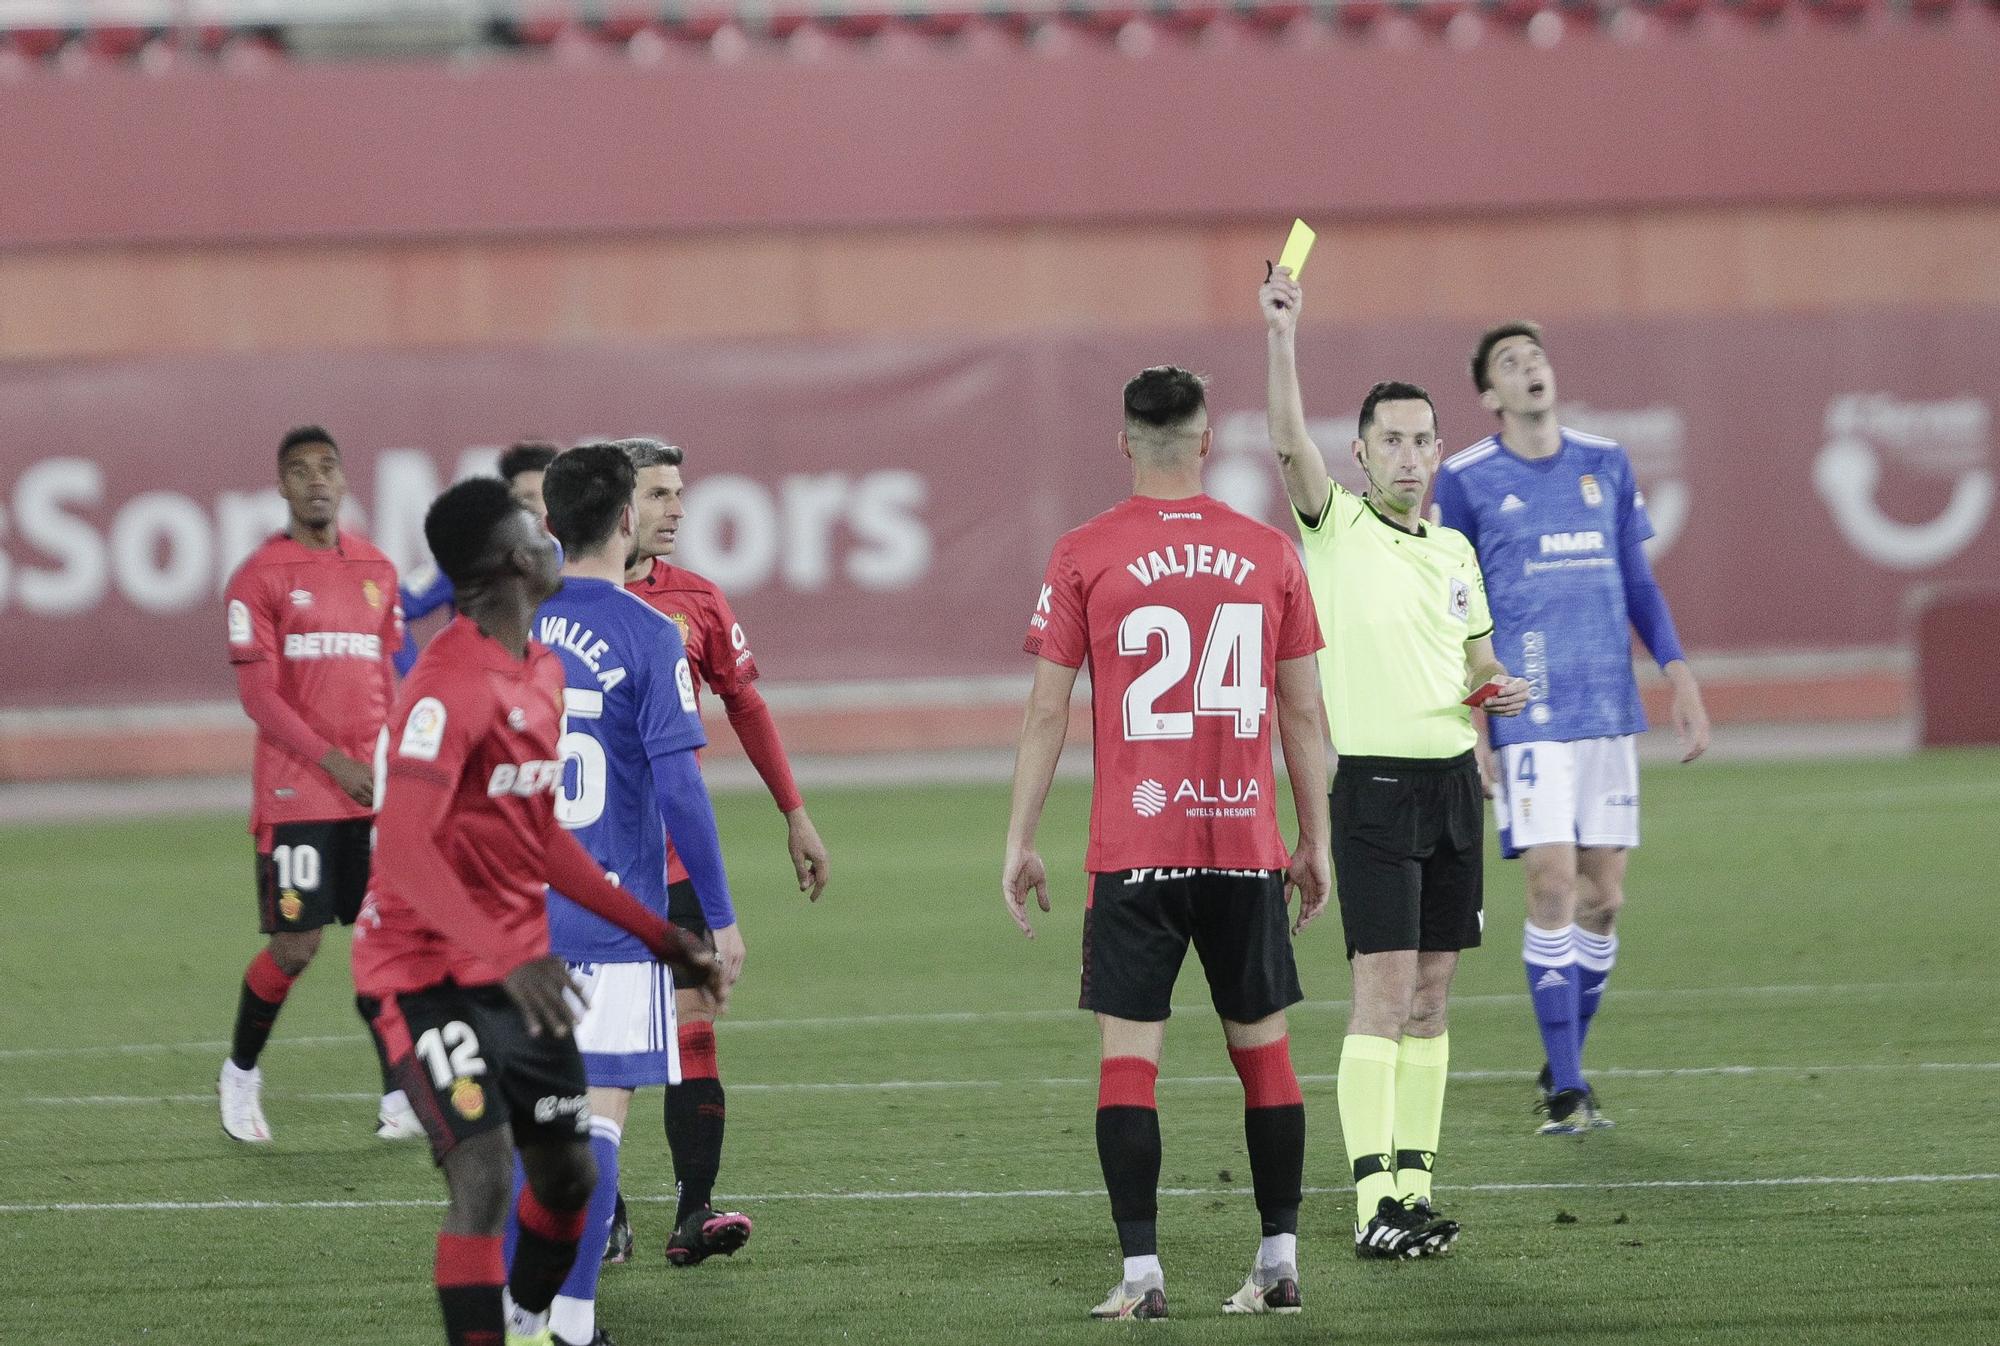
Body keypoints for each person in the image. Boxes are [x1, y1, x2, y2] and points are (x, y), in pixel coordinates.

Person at [351, 475, 722, 1346]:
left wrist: (656, 931)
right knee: (481, 1173)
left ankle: (523, 1319)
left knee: (564, 1181)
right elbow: (404, 852)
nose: (552, 540)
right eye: (534, 531)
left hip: (516, 967)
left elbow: (542, 838)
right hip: (423, 975)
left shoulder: (543, 668)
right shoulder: (445, 686)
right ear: (509, 560)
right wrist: (506, 955)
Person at [1003, 366, 1332, 1320]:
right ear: (1206, 437)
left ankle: (1142, 1277)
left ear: (1124, 444)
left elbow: (1046, 712)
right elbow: (1303, 715)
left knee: (1128, 1063)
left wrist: (1022, 838)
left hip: (1134, 851)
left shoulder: (1084, 552)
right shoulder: (1269, 552)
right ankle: (1278, 1263)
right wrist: (1311, 839)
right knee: (1264, 1055)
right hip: (1243, 844)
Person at [1260, 266, 1532, 1258]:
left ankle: (1414, 1184)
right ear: (1362, 453)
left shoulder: (1453, 550)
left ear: (1437, 448)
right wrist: (1282, 333)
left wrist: (1493, 688)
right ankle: (1372, 1198)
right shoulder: (1334, 527)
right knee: (1378, 995)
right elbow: (1285, 440)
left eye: (1422, 439)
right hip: (1372, 789)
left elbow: (1477, 657)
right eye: (1390, 440)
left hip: (1453, 785)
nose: (1409, 455)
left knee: (1430, 994)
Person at [1433, 322, 1710, 1134]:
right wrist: (1475, 717)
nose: (1530, 371)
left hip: (1606, 713)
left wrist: (1679, 675)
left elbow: (1636, 580)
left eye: (1536, 359)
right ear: (1489, 396)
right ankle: (1569, 1088)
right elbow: (1454, 607)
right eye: (1511, 365)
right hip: (1527, 709)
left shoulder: (1605, 461)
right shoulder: (1465, 480)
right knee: (1551, 883)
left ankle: (1564, 1061)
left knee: (1605, 900)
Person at [497, 444, 741, 1346]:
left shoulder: (506, 627)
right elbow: (681, 790)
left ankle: (524, 1313)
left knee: (536, 1131)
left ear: (550, 521)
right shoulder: (649, 635)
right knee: (597, 1125)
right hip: (610, 923)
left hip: (511, 925)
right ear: (627, 520)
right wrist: (716, 918)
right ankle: (572, 1319)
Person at [607, 437, 831, 1268]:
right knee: (589, 1043)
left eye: (680, 493)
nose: (677, 510)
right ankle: (603, 1210)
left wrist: (795, 814)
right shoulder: (553, 601)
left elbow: (745, 704)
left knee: (691, 1026)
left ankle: (692, 1212)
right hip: (585, 868)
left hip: (673, 863)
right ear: (618, 504)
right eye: (660, 494)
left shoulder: (696, 600)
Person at [218, 424, 414, 1143]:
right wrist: (337, 764)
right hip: (299, 793)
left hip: (375, 795)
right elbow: (261, 699)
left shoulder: (377, 569)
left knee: (383, 942)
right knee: (296, 947)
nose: (316, 481)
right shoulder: (259, 577)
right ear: (281, 486)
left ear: (344, 478)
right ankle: (241, 1073)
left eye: (327, 467)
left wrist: (397, 768)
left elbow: (389, 676)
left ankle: (399, 1095)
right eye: (300, 471)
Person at [396, 442, 561, 677]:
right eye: (524, 497)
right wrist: (417, 675)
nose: (533, 508)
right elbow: (393, 606)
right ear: (507, 500)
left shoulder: (571, 563)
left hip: (539, 701)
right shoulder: (470, 555)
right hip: (476, 699)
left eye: (541, 497)